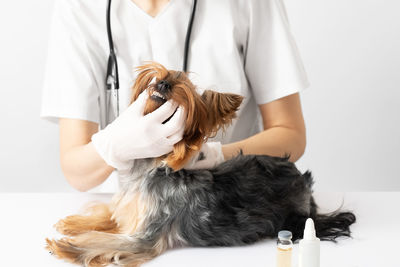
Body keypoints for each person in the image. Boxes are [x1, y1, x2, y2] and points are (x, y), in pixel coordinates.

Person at [41, 0, 309, 192]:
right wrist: (114, 145)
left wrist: (213, 156)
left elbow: (290, 135)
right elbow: (77, 171)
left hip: (230, 201)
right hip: (131, 210)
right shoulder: (77, 9)